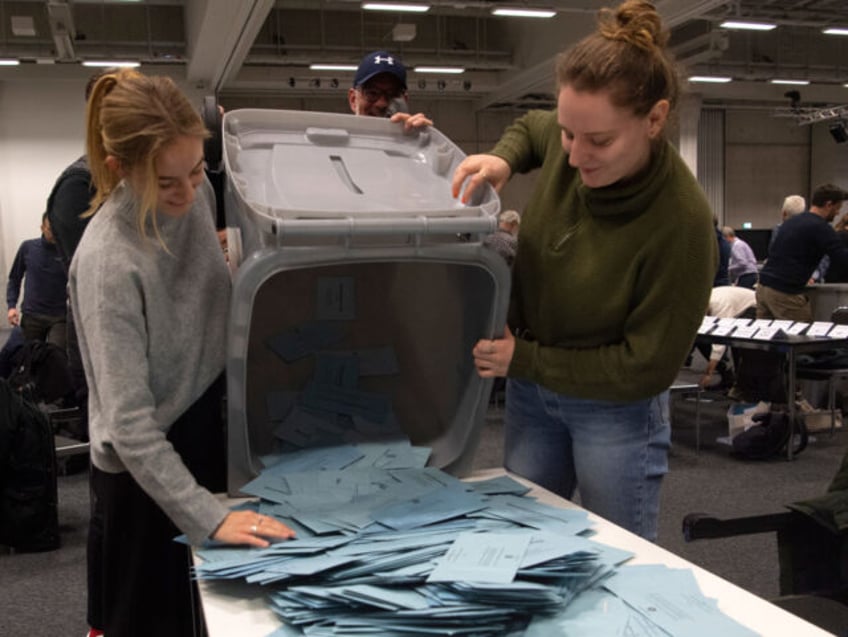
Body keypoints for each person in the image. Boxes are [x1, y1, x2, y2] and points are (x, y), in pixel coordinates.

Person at [452, 0, 716, 541]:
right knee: (521, 541)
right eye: (571, 135)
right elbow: (533, 128)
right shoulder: (570, 135)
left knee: (618, 555)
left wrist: (525, 358)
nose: (574, 157)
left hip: (614, 411)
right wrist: (505, 156)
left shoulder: (682, 223)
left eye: (598, 142)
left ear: (655, 119)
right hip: (531, 389)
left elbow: (645, 368)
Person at [69, 69, 295, 637]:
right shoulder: (107, 264)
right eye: (168, 183)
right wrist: (207, 516)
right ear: (121, 169)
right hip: (140, 468)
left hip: (205, 425)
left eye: (196, 171)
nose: (189, 193)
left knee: (216, 613)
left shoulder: (199, 197)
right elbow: (129, 428)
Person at [757, 183, 848, 322]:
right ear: (829, 204)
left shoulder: (791, 222)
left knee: (767, 339)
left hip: (763, 288)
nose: (837, 213)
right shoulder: (821, 227)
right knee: (802, 337)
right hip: (785, 292)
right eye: (838, 208)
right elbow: (841, 258)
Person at [6, 213, 68, 348]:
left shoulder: (67, 252)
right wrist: (11, 306)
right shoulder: (28, 248)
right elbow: (14, 279)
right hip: (32, 315)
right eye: (51, 229)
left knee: (56, 356)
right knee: (30, 359)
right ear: (42, 228)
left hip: (59, 317)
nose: (55, 233)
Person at [348, 50, 433, 129]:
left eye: (392, 94)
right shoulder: (338, 142)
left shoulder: (415, 140)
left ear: (405, 101)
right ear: (353, 100)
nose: (382, 104)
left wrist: (424, 141)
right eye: (372, 93)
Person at [697, 286, 757, 390]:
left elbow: (720, 340)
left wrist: (708, 373)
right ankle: (727, 375)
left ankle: (742, 386)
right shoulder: (703, 301)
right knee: (701, 340)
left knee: (738, 342)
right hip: (733, 304)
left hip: (751, 306)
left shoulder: (719, 306)